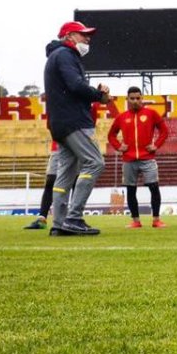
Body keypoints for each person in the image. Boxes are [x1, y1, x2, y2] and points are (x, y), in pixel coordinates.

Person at [43, 20, 111, 236]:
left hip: (60, 123)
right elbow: (75, 85)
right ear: (69, 36)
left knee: (65, 173)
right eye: (83, 34)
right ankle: (74, 218)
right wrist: (99, 95)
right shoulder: (65, 55)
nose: (88, 38)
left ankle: (59, 223)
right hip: (74, 121)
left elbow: (70, 87)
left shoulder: (57, 55)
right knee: (95, 162)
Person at [107, 86, 169, 229]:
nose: (135, 101)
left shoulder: (151, 113)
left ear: (142, 98)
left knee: (154, 187)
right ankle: (136, 221)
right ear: (127, 99)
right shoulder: (122, 117)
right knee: (131, 190)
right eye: (132, 98)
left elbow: (164, 131)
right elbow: (111, 135)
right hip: (128, 159)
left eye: (138, 98)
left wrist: (156, 145)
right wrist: (118, 146)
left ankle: (156, 220)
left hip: (147, 158)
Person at [22, 141, 59, 230]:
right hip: (57, 148)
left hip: (76, 147)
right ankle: (42, 219)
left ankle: (73, 219)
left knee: (75, 181)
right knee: (50, 181)